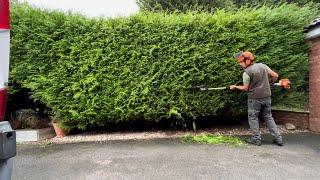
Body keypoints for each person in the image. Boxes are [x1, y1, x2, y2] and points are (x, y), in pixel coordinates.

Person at [230, 51, 283, 146]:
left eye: (241, 62)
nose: (240, 64)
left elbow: (245, 88)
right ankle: (278, 138)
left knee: (253, 117)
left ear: (246, 61)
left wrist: (235, 87)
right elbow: (275, 76)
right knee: (268, 117)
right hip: (267, 96)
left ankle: (256, 139)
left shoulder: (247, 73)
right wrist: (270, 82)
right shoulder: (262, 66)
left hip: (254, 99)